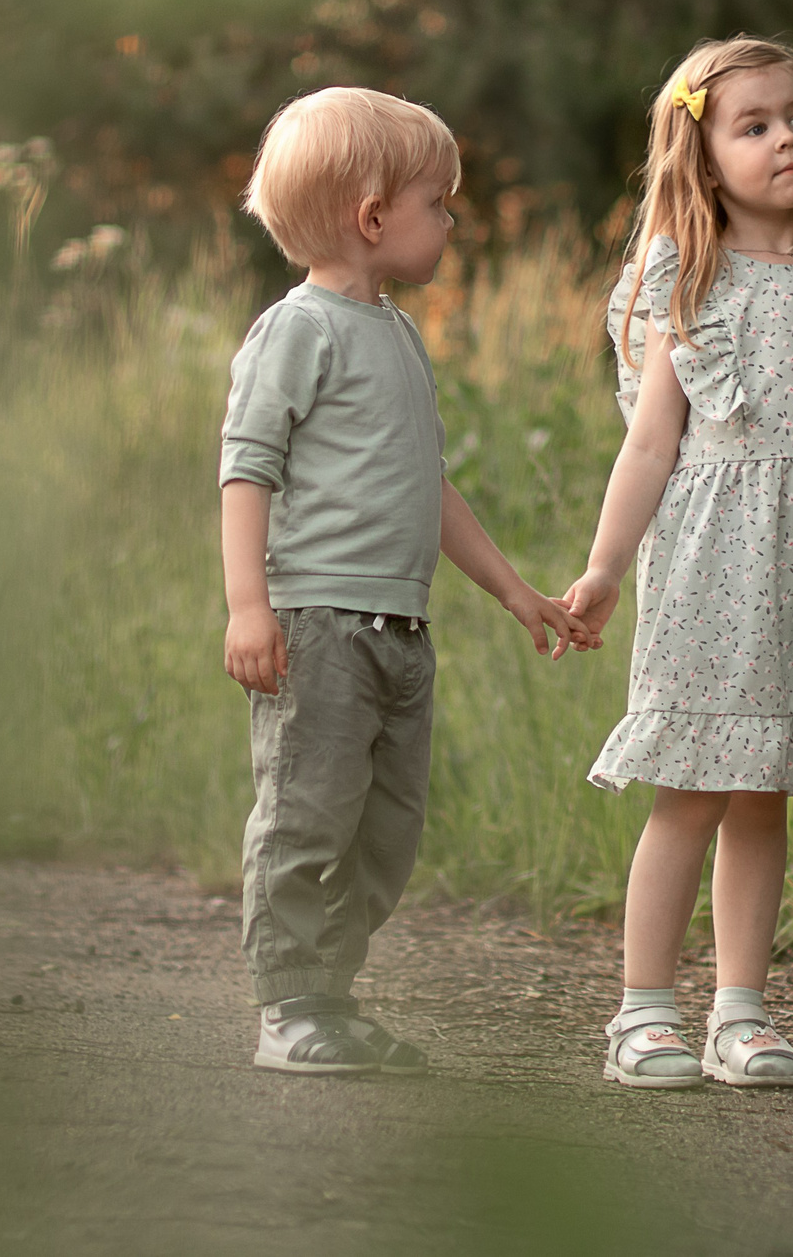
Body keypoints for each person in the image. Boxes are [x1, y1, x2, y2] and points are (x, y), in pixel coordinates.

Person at [564, 37, 793, 1089]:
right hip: (711, 565)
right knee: (690, 788)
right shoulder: (689, 282)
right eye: (753, 125)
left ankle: (741, 1012)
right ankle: (641, 1012)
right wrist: (602, 570)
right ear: (702, 151)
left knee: (764, 790)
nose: (785, 140)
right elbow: (648, 447)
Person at [221, 86, 583, 1077]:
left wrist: (513, 590)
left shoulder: (397, 333)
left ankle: (325, 999)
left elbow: (424, 484)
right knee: (306, 817)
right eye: (440, 204)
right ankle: (289, 1002)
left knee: (385, 834)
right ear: (373, 218)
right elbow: (246, 469)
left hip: (400, 632)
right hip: (320, 627)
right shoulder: (297, 330)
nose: (452, 222)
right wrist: (248, 606)